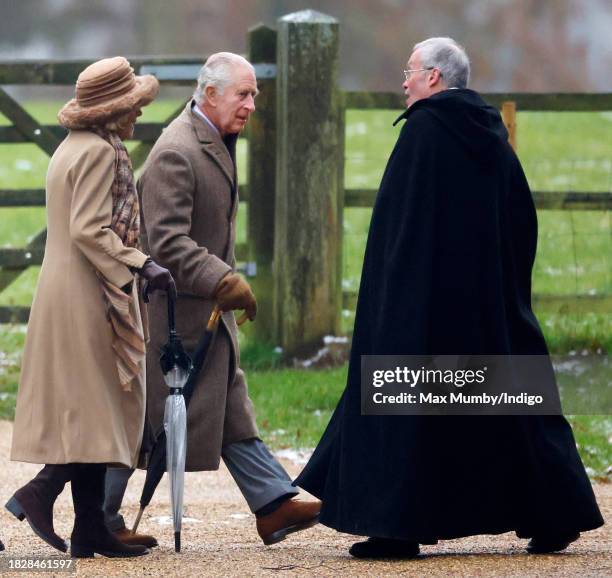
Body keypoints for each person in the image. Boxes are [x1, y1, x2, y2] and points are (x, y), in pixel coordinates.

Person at [294, 37, 604, 559]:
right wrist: (504, 291)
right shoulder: (490, 135)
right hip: (488, 308)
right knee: (509, 406)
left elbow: (401, 234)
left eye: (410, 70)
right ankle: (555, 516)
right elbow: (521, 221)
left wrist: (391, 307)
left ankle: (396, 527)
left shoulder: (424, 136)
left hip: (423, 310)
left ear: (434, 77)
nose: (404, 80)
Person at [106, 52, 320, 546]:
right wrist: (224, 279)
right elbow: (164, 244)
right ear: (209, 95)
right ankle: (92, 511)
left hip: (201, 310)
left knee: (226, 400)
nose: (250, 104)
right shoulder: (177, 151)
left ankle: (272, 502)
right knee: (148, 420)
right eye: (242, 94)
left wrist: (220, 286)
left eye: (254, 95)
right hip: (171, 314)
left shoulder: (215, 139)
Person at [6, 57, 175, 558]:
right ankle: (40, 493)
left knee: (90, 414)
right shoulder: (102, 153)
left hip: (64, 287)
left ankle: (88, 529)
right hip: (86, 292)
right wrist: (143, 265)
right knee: (98, 412)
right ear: (110, 112)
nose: (138, 115)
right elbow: (89, 228)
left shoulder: (71, 148)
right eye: (133, 107)